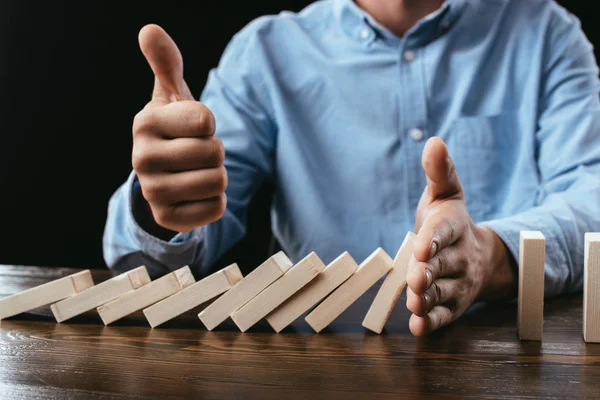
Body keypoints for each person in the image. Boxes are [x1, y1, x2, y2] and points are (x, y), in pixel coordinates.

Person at [103, 0, 600, 336]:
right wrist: (162, 207)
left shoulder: (546, 33)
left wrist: (487, 254)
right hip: (315, 378)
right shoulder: (268, 52)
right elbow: (148, 262)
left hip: (509, 375)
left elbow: (592, 203)